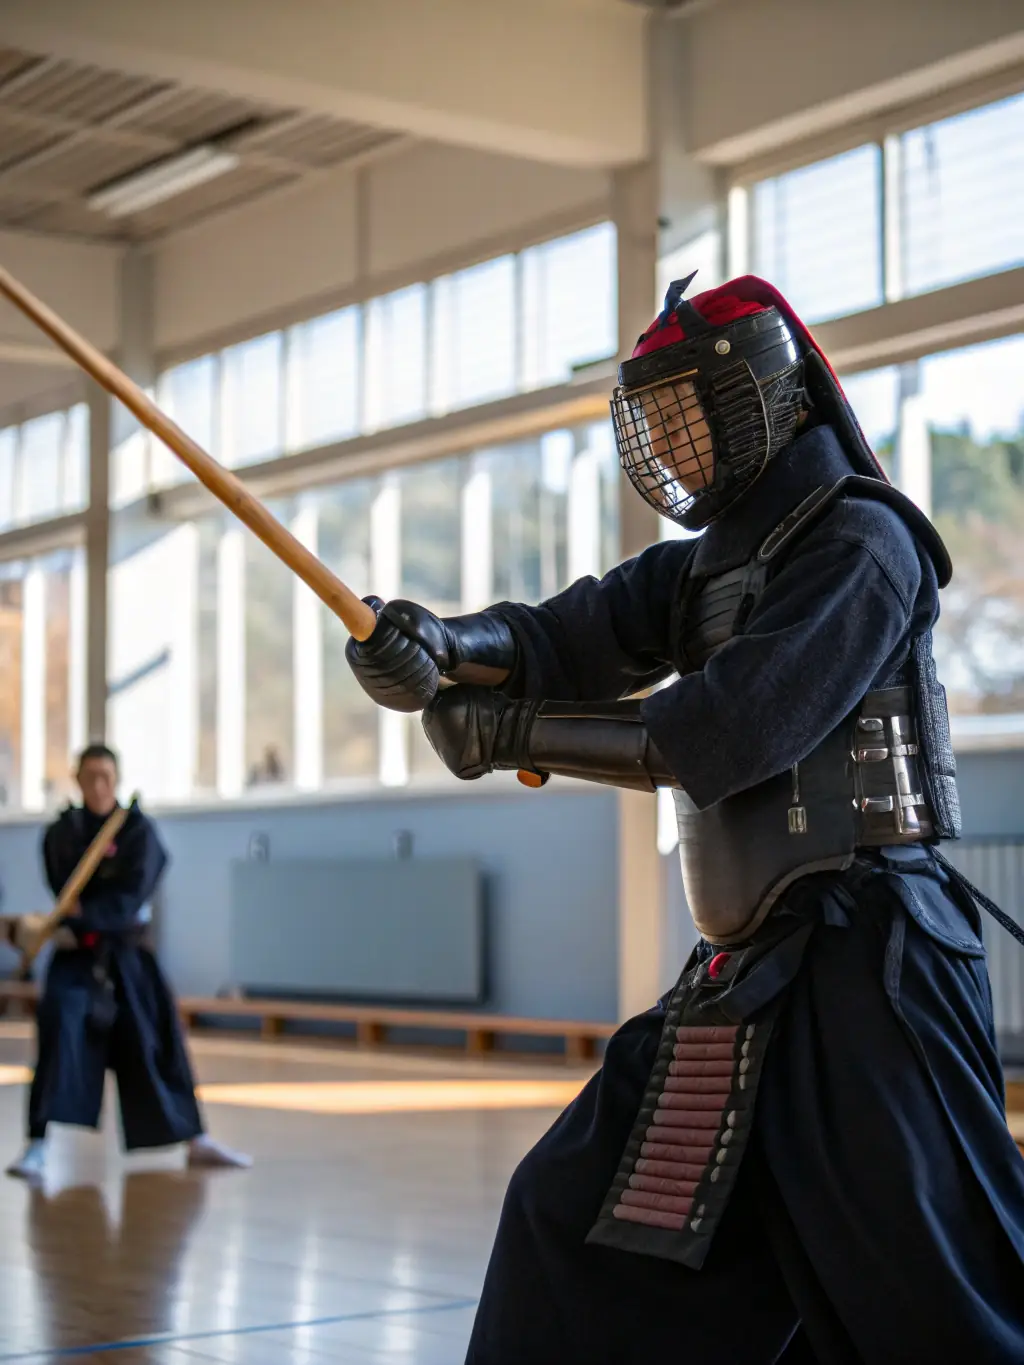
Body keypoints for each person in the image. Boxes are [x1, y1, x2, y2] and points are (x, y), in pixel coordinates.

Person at [346, 273, 1024, 1364]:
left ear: (759, 397)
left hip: (869, 970)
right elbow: (565, 635)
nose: (666, 444)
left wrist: (511, 737)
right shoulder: (712, 566)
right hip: (745, 975)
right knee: (568, 1227)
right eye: (651, 421)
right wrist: (435, 642)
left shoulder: (863, 542)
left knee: (937, 1303)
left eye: (683, 416)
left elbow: (724, 734)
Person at [5, 744, 250, 1181]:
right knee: (59, 1027)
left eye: (106, 776)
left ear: (115, 779)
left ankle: (195, 1139)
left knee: (158, 1039)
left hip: (129, 956)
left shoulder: (137, 831)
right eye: (90, 776)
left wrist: (89, 913)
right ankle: (38, 1144)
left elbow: (129, 896)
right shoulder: (63, 832)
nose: (98, 785)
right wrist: (78, 916)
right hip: (76, 957)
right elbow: (64, 891)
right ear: (78, 781)